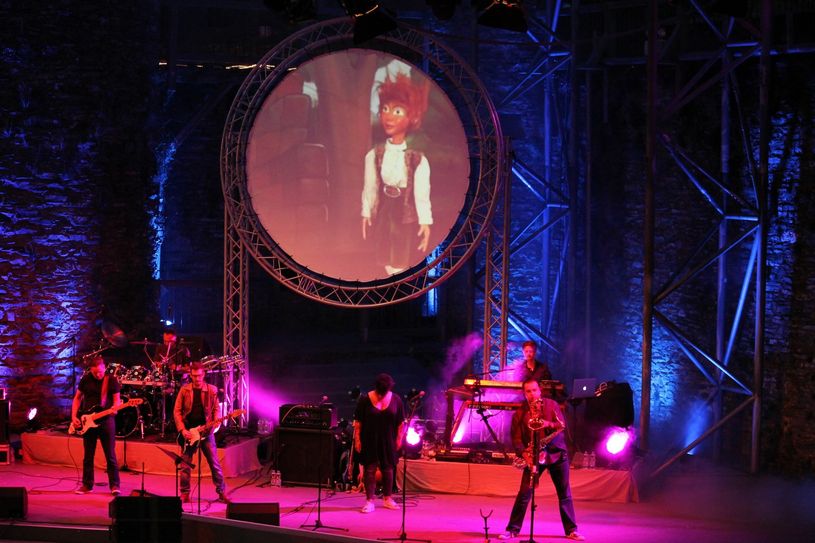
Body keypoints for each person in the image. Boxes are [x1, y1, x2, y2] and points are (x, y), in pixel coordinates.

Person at [361, 73, 433, 276]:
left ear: (412, 117)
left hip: (404, 213)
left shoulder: (417, 159)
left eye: (398, 111)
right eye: (385, 109)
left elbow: (421, 194)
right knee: (383, 253)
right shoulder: (375, 155)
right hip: (384, 208)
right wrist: (366, 212)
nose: (389, 116)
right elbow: (370, 186)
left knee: (400, 255)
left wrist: (425, 221)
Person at [498, 378, 584, 541]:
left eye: (534, 390)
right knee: (524, 494)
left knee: (564, 494)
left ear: (540, 391)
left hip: (557, 454)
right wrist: (526, 455)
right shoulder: (519, 413)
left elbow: (561, 425)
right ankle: (512, 529)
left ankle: (571, 530)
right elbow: (516, 439)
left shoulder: (552, 405)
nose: (532, 394)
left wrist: (547, 424)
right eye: (528, 391)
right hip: (534, 456)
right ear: (524, 394)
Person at [173, 361, 229, 503]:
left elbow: (216, 409)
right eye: (194, 376)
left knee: (214, 463)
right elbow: (177, 411)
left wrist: (216, 422)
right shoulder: (184, 390)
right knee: (185, 465)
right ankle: (184, 493)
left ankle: (222, 492)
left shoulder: (212, 390)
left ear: (203, 375)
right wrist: (182, 429)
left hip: (206, 432)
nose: (197, 379)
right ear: (190, 375)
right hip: (189, 432)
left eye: (199, 376)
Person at [353, 373, 405, 513]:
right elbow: (358, 422)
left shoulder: (396, 399)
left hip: (388, 439)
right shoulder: (365, 399)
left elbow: (401, 423)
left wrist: (399, 439)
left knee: (388, 468)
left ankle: (387, 498)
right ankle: (369, 501)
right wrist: (357, 440)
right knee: (370, 469)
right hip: (369, 439)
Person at [71, 355, 122, 495]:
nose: (98, 375)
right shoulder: (86, 379)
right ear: (90, 370)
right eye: (95, 373)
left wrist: (115, 408)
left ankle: (115, 485)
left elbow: (117, 400)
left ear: (104, 367)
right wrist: (74, 416)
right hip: (88, 421)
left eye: (100, 372)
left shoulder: (111, 380)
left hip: (106, 420)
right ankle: (87, 485)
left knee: (110, 455)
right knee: (88, 455)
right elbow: (77, 398)